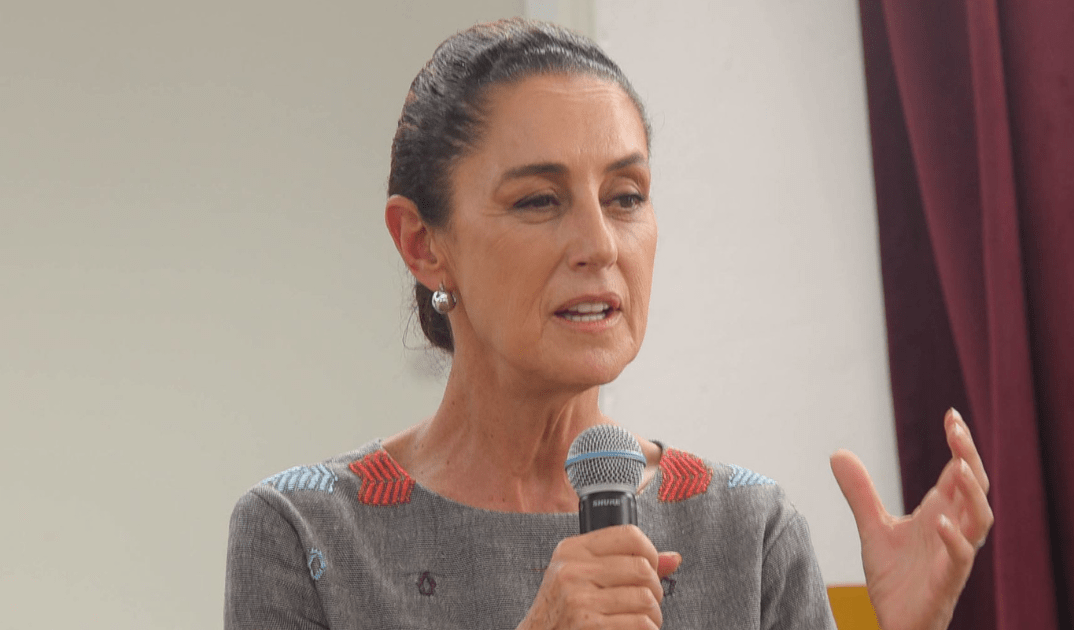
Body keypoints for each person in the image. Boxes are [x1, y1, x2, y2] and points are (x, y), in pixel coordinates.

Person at [224, 18, 993, 630]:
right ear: (424, 245)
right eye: (538, 200)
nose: (599, 245)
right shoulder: (303, 532)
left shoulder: (749, 529)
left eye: (625, 197)